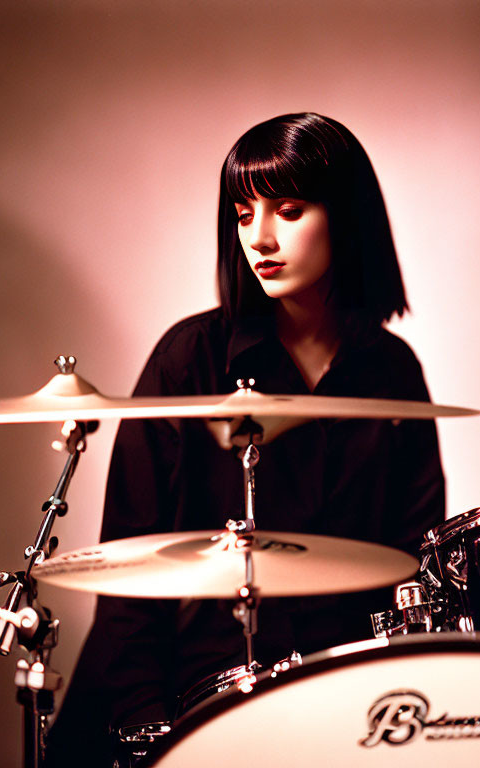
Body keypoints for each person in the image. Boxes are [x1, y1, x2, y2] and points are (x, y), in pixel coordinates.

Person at [45, 112, 445, 766]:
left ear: (346, 216)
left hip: (337, 700)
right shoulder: (188, 360)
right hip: (186, 691)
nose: (258, 238)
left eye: (287, 210)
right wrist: (150, 730)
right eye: (241, 213)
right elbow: (128, 571)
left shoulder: (393, 370)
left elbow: (413, 562)